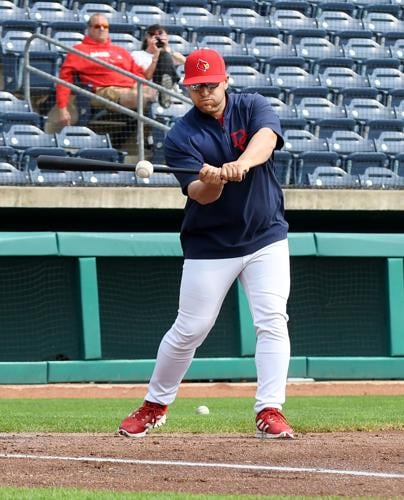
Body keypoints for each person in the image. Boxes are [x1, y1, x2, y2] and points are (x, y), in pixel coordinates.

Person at [118, 48, 294, 440]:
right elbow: (200, 194)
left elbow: (266, 140)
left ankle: (270, 409)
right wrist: (213, 179)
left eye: (211, 85)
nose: (205, 94)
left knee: (271, 320)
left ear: (225, 81)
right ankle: (155, 405)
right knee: (190, 328)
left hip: (265, 234)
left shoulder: (252, 106)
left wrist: (241, 164)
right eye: (197, 88)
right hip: (211, 243)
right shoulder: (182, 135)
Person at [45, 13, 157, 134]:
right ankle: (156, 102)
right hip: (102, 90)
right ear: (89, 29)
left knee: (149, 90)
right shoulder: (78, 50)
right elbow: (64, 81)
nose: (102, 29)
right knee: (139, 95)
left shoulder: (120, 51)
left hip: (131, 86)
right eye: (97, 26)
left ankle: (158, 99)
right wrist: (62, 108)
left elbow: (138, 74)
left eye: (105, 26)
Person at [131, 24, 185, 108]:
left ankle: (166, 90)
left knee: (165, 56)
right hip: (151, 89)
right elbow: (147, 77)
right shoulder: (137, 55)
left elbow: (187, 63)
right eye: (153, 36)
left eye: (160, 36)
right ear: (147, 37)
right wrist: (156, 56)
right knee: (164, 57)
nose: (157, 39)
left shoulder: (170, 54)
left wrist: (167, 49)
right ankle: (165, 89)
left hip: (171, 92)